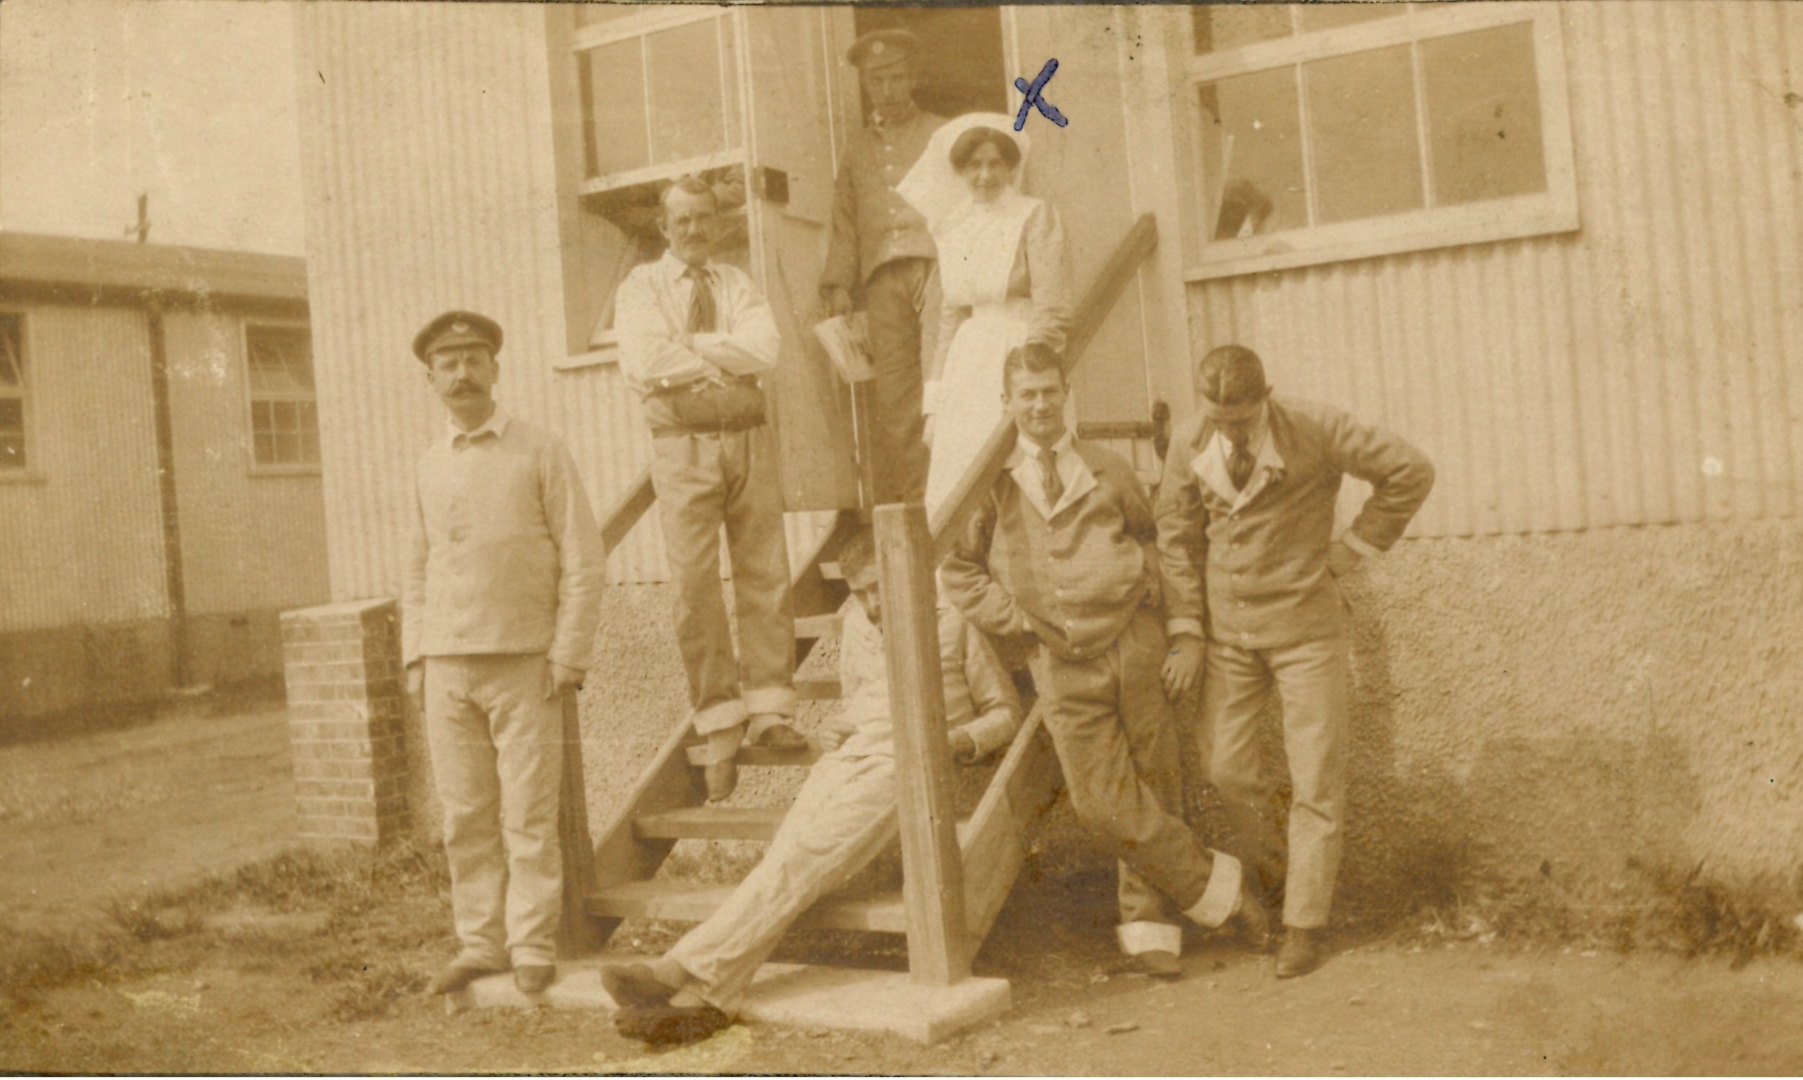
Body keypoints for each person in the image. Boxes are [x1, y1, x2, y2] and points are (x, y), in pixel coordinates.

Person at [600, 526, 1023, 1045]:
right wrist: (839, 726)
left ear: (905, 578)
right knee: (783, 861)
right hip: (844, 763)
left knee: (799, 862)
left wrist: (957, 741)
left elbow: (1005, 711)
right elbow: (858, 698)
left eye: (878, 588)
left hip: (903, 770)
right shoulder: (857, 624)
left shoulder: (953, 623)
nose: (872, 603)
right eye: (860, 592)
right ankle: (708, 998)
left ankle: (678, 969)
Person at [941, 342, 1268, 980]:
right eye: (1026, 394)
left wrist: (1175, 628)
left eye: (1049, 391)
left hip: (1134, 641)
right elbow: (958, 569)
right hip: (1060, 660)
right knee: (1099, 801)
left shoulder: (1107, 467)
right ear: (1007, 403)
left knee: (1155, 779)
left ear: (1067, 394)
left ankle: (1150, 928)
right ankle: (1225, 894)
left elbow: (1154, 541)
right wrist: (1017, 621)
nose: (1040, 405)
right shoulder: (993, 485)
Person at [1154, 344, 1435, 978]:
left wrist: (1352, 548)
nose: (1229, 431)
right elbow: (1174, 535)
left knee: (1316, 777)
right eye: (1218, 418)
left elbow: (1410, 470)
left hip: (1307, 630)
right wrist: (1188, 629)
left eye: (1240, 419)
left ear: (1266, 396)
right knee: (1224, 767)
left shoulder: (1314, 427)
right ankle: (1282, 875)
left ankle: (1303, 923)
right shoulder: (1188, 440)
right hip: (1229, 633)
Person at [400, 310, 607, 996]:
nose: (462, 374)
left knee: (528, 815)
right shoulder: (428, 464)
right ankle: (480, 943)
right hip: (447, 663)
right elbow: (417, 566)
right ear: (431, 379)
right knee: (464, 817)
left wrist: (568, 652)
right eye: (447, 363)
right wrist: (416, 655)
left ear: (494, 369)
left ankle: (531, 945)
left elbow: (583, 558)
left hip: (524, 661)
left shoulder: (540, 451)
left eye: (473, 360)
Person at [615, 176, 808, 803]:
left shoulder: (737, 284)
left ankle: (771, 708)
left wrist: (691, 347)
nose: (695, 229)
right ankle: (720, 722)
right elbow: (646, 362)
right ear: (664, 227)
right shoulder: (641, 286)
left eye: (704, 218)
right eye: (683, 220)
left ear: (717, 224)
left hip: (748, 440)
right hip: (684, 447)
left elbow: (766, 351)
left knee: (765, 572)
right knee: (695, 585)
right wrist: (722, 360)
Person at [898, 115, 1072, 517]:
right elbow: (949, 320)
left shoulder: (1035, 216)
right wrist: (935, 403)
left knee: (1020, 460)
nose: (985, 175)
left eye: (996, 163)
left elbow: (1053, 306)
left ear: (1011, 168)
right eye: (974, 165)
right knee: (963, 470)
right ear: (960, 171)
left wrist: (1030, 375)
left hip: (1020, 346)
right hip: (968, 361)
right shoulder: (954, 227)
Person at [818, 28, 947, 505]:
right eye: (877, 80)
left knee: (939, 378)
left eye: (895, 77)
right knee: (895, 393)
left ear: (912, 77)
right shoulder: (856, 148)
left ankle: (951, 494)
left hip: (935, 269)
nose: (887, 89)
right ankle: (917, 499)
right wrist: (837, 285)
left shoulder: (940, 133)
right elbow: (845, 220)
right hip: (881, 280)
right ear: (866, 85)